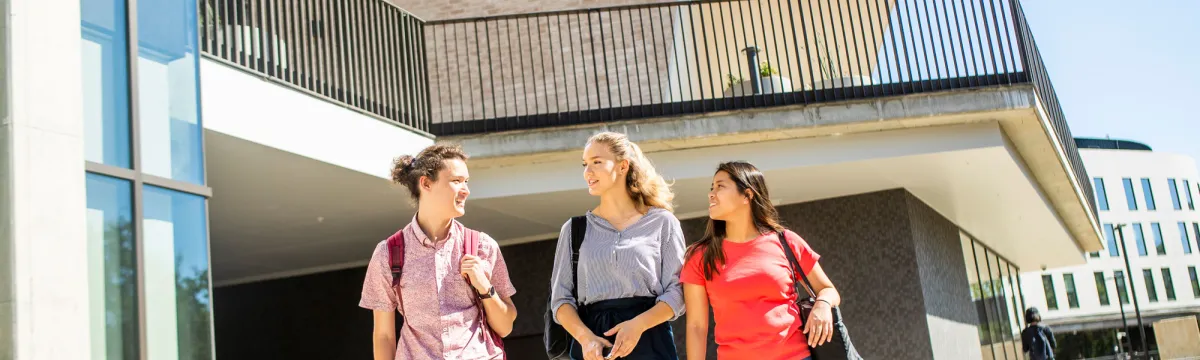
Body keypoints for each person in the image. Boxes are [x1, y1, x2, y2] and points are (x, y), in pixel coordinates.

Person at [359, 144, 518, 360]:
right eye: (456, 181)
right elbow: (384, 336)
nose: (466, 190)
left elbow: (506, 326)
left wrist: (484, 287)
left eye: (466, 181)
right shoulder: (388, 254)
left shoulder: (483, 246)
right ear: (425, 183)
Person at [680, 161, 842, 360]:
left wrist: (823, 305)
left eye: (720, 186)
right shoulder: (699, 256)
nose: (711, 194)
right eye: (711, 188)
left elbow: (828, 289)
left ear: (747, 195)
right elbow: (696, 326)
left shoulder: (786, 241)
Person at [549, 132, 686, 360]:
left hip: (650, 338)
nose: (587, 172)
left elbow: (678, 290)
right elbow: (561, 300)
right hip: (594, 345)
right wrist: (585, 338)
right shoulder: (573, 230)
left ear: (623, 166)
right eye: (585, 164)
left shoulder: (662, 222)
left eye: (597, 162)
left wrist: (638, 325)